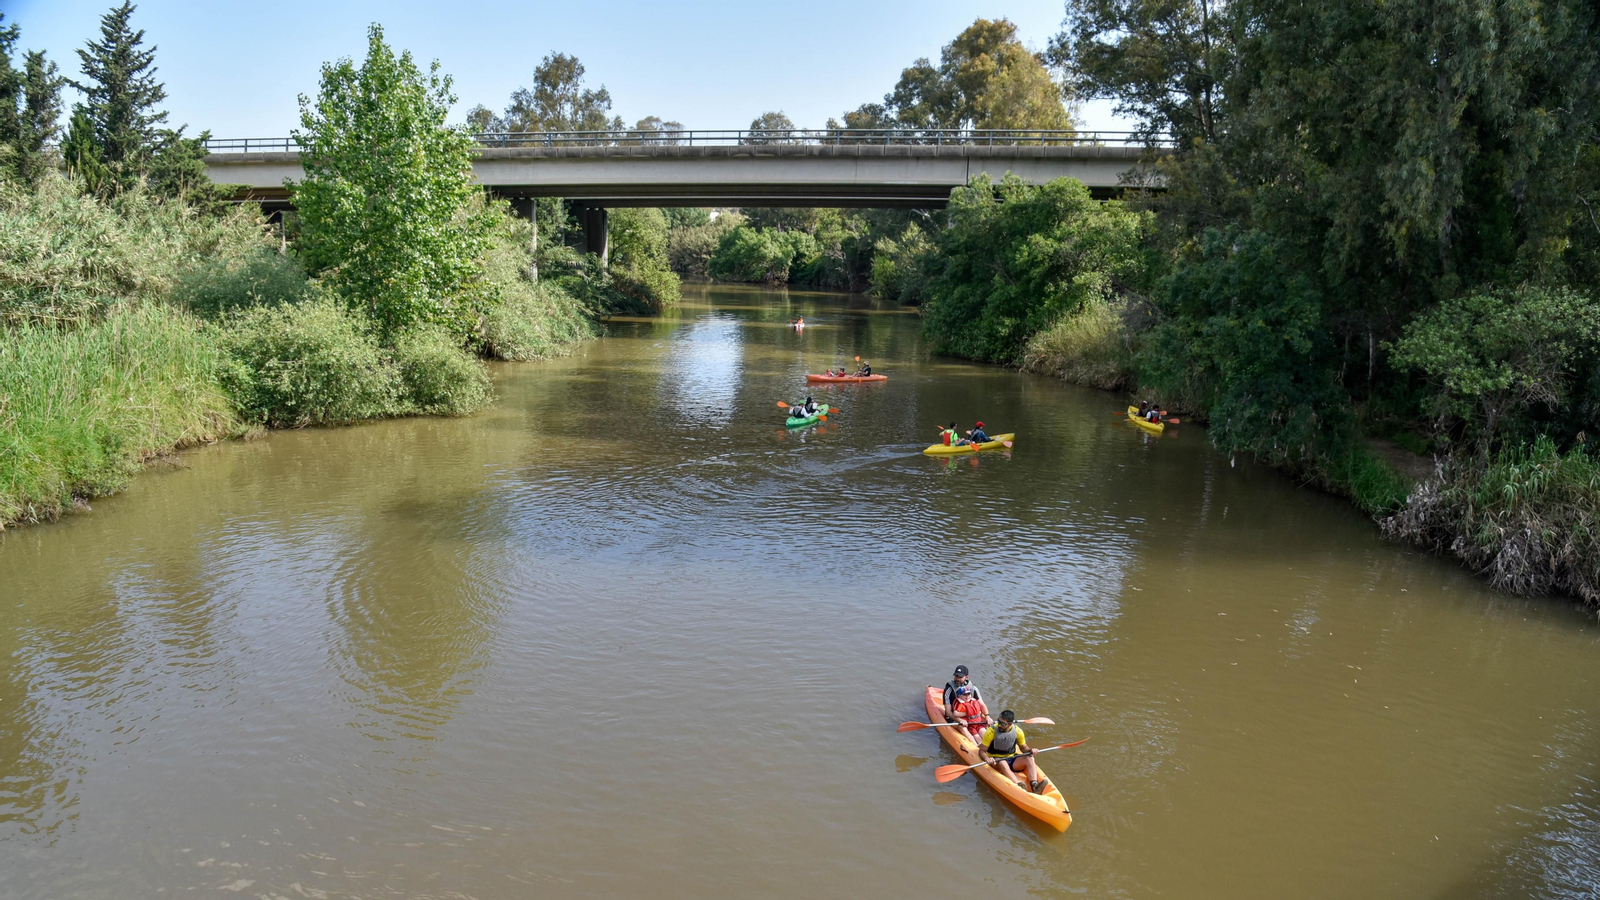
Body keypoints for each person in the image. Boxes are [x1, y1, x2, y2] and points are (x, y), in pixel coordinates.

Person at [980, 710, 1047, 794]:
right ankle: (1018, 786)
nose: (999, 725)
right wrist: (987, 758)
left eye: (1003, 724)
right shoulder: (991, 731)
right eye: (999, 721)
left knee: (1030, 758)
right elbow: (982, 751)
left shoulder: (1018, 731)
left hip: (1012, 759)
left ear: (1010, 724)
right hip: (996, 762)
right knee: (1002, 762)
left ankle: (1034, 785)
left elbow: (1023, 748)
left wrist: (1031, 751)